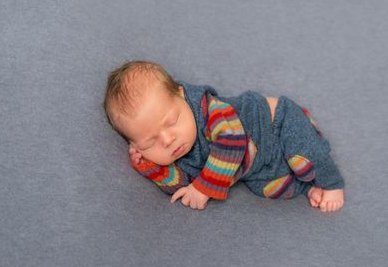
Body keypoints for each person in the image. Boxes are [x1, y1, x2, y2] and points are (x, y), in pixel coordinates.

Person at [103, 61, 345, 212]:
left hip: (276, 123)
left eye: (172, 122)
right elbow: (183, 187)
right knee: (268, 189)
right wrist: (150, 167)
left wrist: (204, 188)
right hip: (259, 165)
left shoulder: (209, 109)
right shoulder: (174, 151)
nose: (168, 140)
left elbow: (233, 141)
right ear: (135, 145)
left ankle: (331, 184)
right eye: (150, 142)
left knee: (304, 152)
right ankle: (307, 187)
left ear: (181, 95)